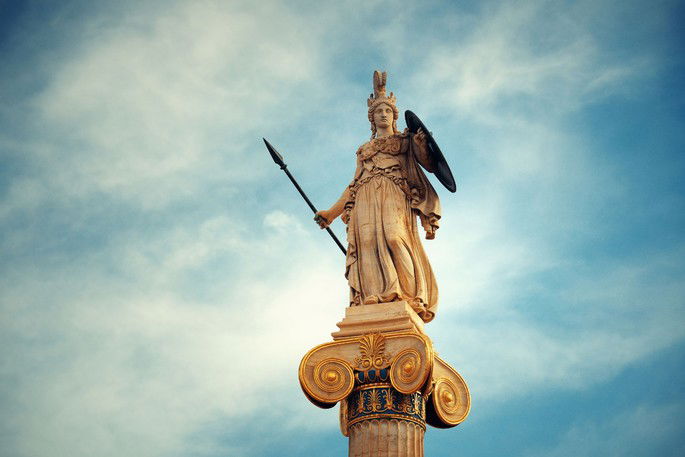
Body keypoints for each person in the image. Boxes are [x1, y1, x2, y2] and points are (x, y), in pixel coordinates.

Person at [315, 71, 441, 323]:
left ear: (394, 116)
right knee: (368, 241)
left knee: (395, 237)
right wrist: (331, 212)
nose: (383, 115)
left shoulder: (404, 141)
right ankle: (374, 294)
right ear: (371, 119)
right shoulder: (365, 149)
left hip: (394, 192)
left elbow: (428, 164)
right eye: (378, 112)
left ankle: (409, 295)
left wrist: (422, 145)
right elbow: (354, 184)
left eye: (387, 112)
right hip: (365, 196)